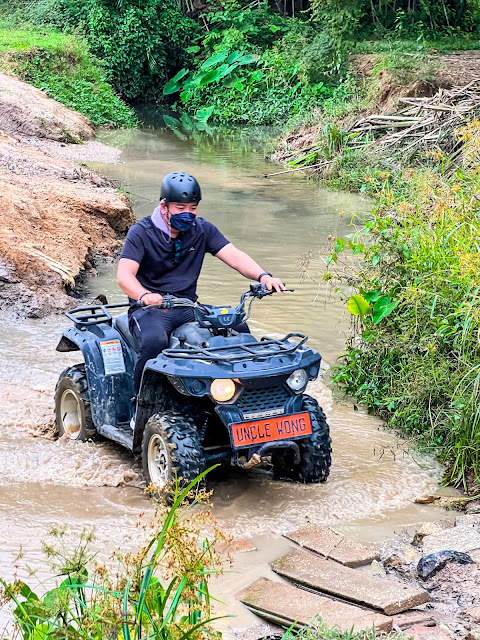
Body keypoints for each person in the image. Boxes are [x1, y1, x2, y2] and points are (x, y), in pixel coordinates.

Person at [117, 171, 285, 395]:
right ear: (164, 206)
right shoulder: (141, 233)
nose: (188, 214)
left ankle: (246, 395)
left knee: (238, 328)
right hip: (150, 310)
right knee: (154, 341)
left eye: (193, 208)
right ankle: (140, 402)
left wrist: (264, 277)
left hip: (189, 307)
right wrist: (144, 295)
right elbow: (124, 275)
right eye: (180, 208)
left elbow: (235, 256)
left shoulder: (202, 230)